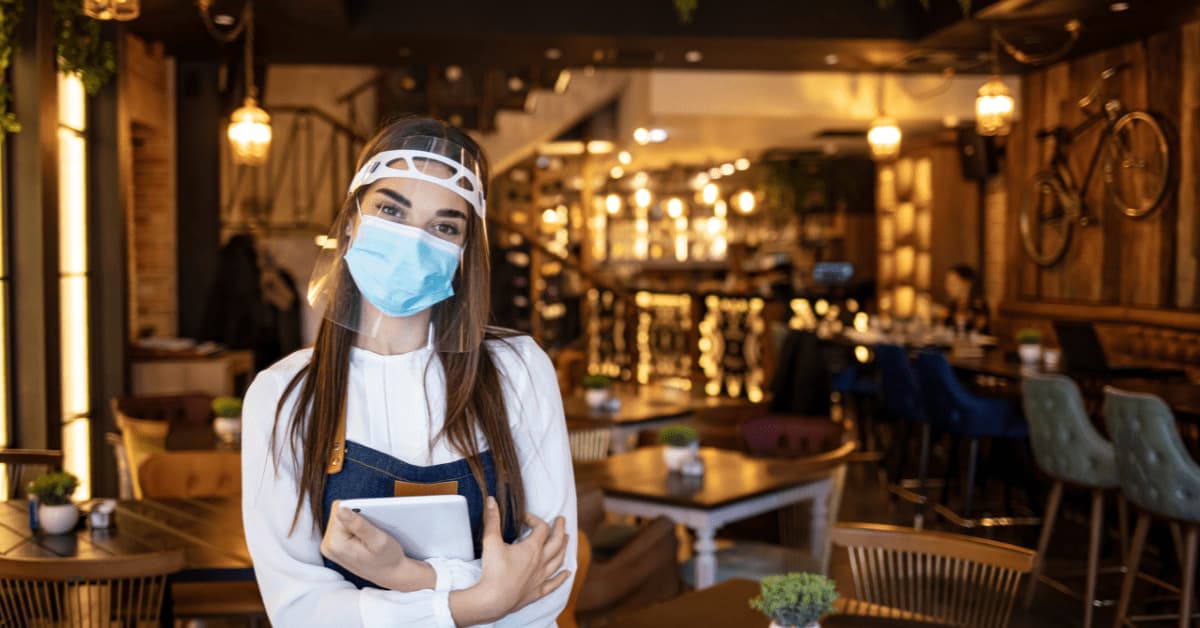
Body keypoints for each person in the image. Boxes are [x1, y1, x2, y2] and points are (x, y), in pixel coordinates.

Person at [241, 116, 576, 627]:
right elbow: (300, 610)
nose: (412, 240)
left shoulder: (519, 370)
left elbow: (550, 580)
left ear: (463, 254)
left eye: (444, 226)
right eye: (390, 211)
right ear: (352, 219)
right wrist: (483, 601)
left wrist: (407, 576)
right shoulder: (283, 396)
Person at [936, 264, 990, 334]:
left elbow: (979, 330)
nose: (948, 287)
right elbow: (944, 330)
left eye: (953, 283)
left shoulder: (978, 305)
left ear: (967, 283)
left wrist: (962, 318)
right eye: (947, 283)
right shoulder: (952, 305)